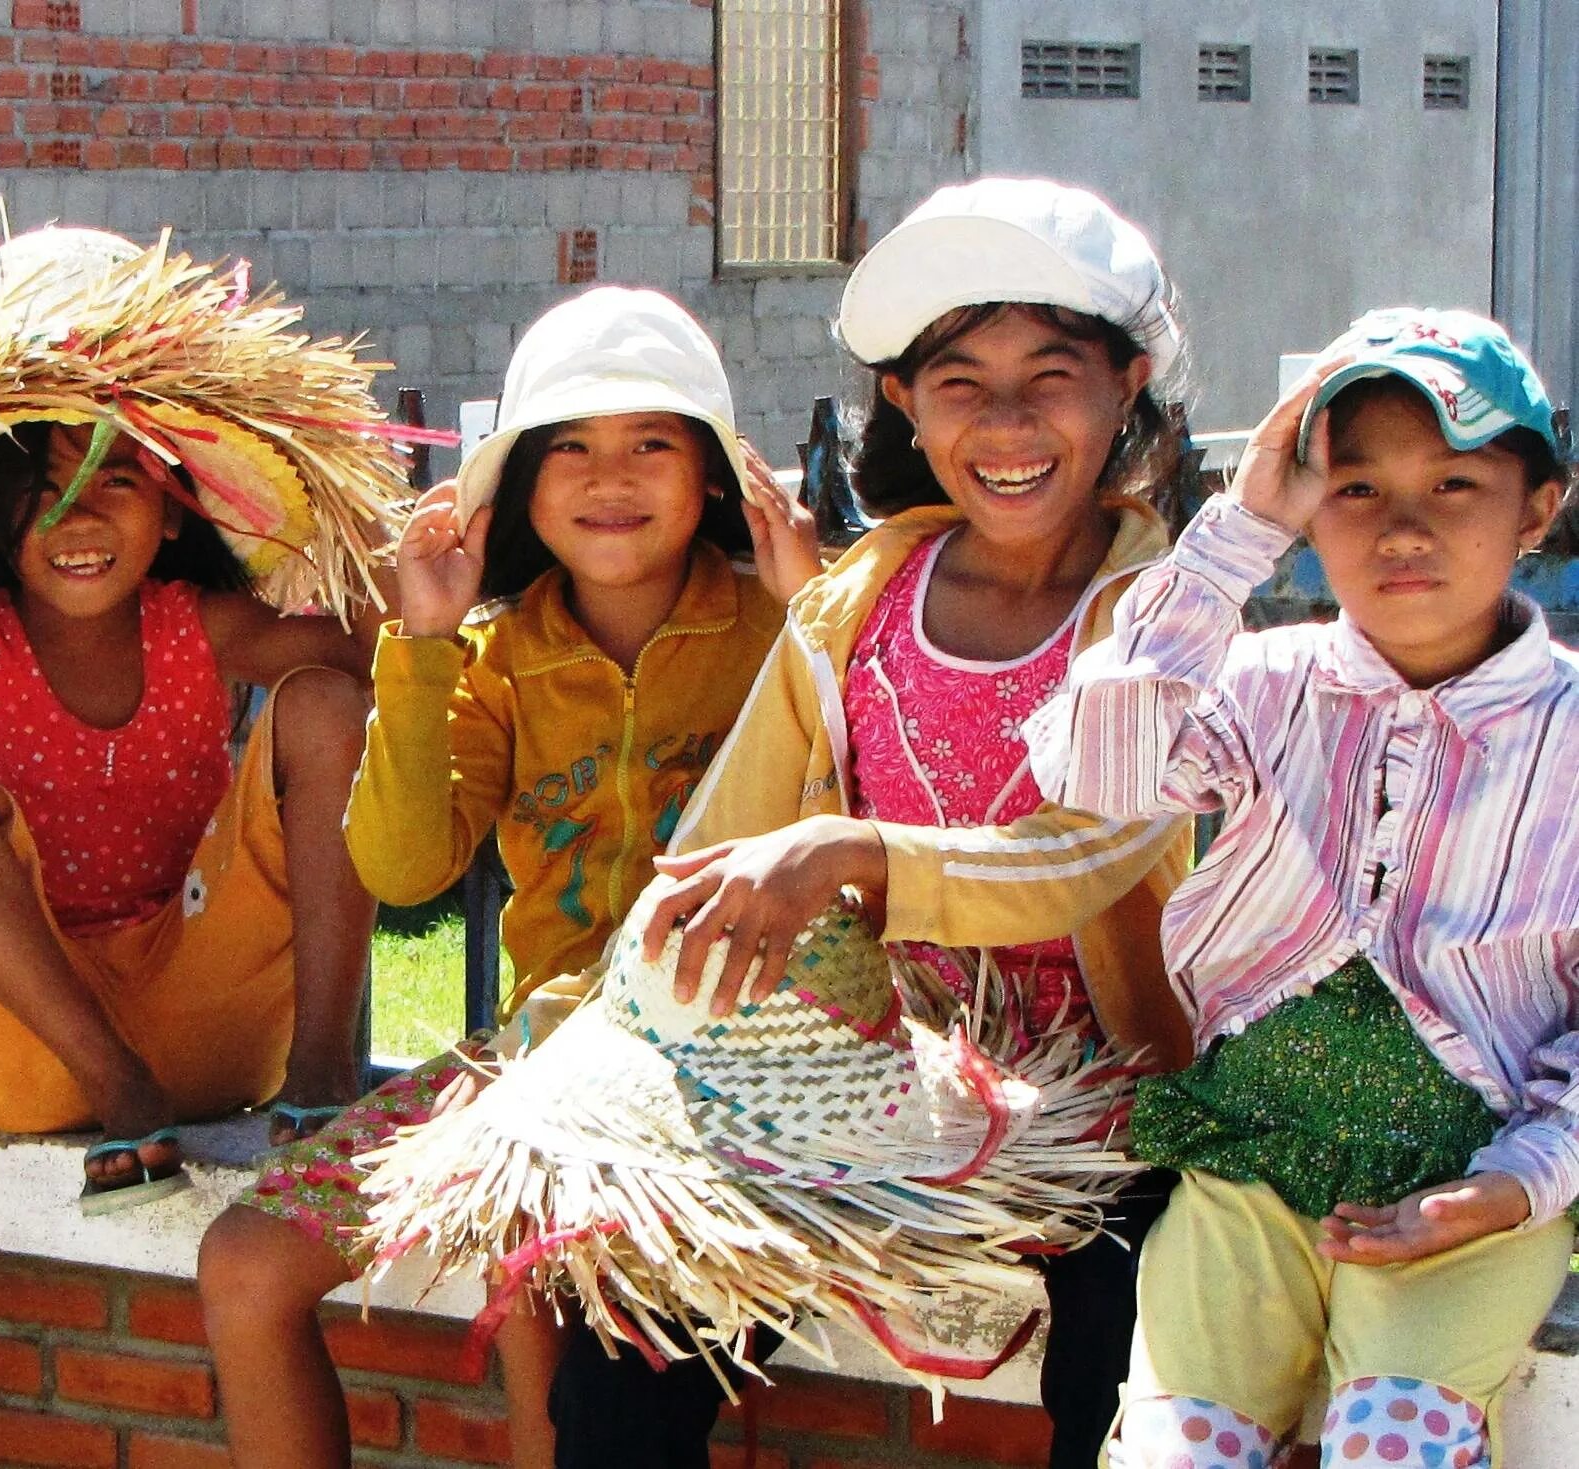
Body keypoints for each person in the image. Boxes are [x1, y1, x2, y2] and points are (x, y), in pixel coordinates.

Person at [625, 178, 1200, 1469]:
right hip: (883, 1091)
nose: (1003, 423)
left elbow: (1083, 852)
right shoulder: (854, 607)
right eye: (958, 381)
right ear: (902, 401)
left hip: (1121, 1117)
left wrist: (848, 853)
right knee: (634, 1317)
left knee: (1121, 1363)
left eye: (1048, 374)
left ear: (1128, 382)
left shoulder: (1163, 618)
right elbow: (728, 831)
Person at [196, 285, 819, 1469]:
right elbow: (402, 861)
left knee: (542, 1253)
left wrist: (817, 613)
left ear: (715, 480)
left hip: (720, 1071)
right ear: (522, 486)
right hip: (532, 1057)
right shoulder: (494, 657)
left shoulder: (773, 631)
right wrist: (422, 645)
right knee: (247, 1262)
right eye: (570, 447)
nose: (610, 475)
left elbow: (866, 818)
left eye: (653, 442)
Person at [1035, 307, 1577, 1469]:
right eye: (1357, 488)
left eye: (1457, 485)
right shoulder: (1267, 682)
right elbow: (1094, 764)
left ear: (1538, 506)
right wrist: (1238, 531)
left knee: (1391, 1445)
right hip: (1251, 1171)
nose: (1405, 529)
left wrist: (1511, 1185)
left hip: (1470, 1192)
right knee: (1174, 1452)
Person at [0, 225, 411, 1210]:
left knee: (325, 704)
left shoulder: (197, 627)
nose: (77, 521)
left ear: (175, 507)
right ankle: (116, 1082)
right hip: (33, 1050)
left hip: (213, 1035)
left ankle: (324, 1078)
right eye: (39, 491)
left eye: (116, 480)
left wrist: (372, 524)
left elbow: (377, 657)